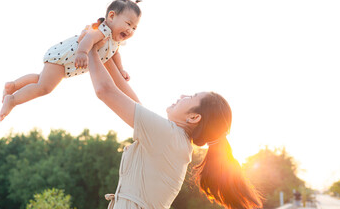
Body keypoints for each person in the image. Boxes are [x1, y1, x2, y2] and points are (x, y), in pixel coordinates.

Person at [86, 38, 263, 208]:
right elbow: (129, 100)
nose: (182, 96)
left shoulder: (170, 137)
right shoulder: (174, 139)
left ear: (194, 118)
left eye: (191, 97)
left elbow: (105, 91)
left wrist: (90, 48)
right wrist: (107, 55)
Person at [0, 0, 141, 121]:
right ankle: (12, 100)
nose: (130, 30)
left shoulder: (115, 41)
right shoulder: (103, 31)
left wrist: (121, 69)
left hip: (65, 61)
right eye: (128, 24)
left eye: (134, 28)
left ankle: (13, 85)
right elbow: (88, 38)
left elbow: (115, 54)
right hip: (64, 58)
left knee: (40, 80)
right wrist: (82, 52)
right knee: (44, 87)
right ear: (111, 16)